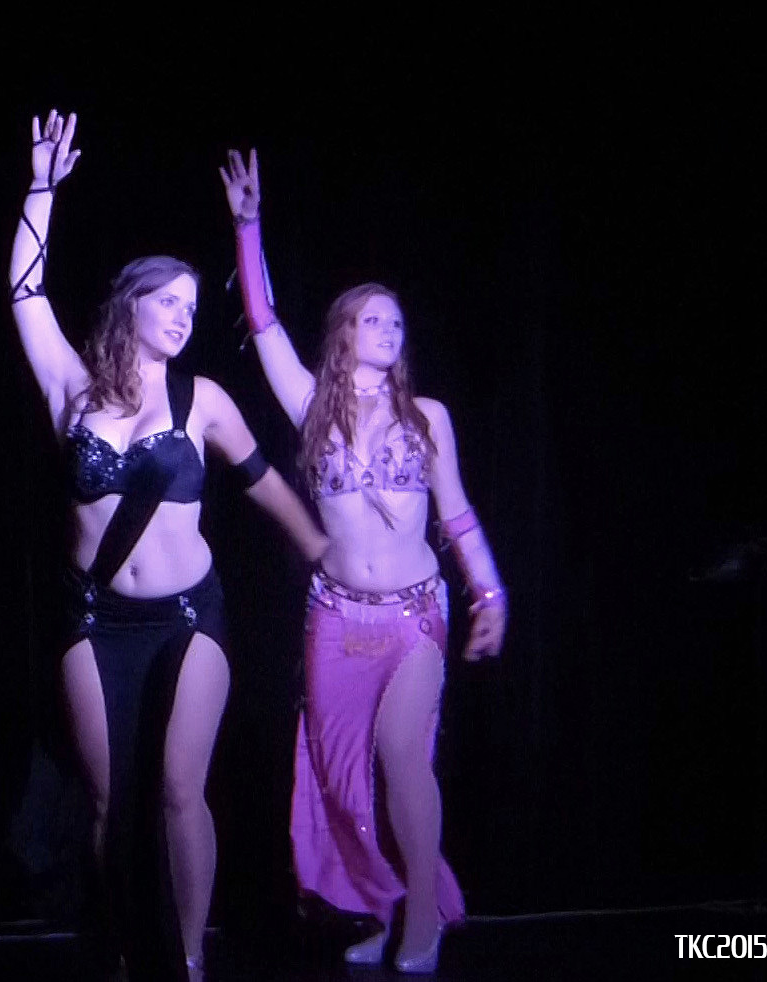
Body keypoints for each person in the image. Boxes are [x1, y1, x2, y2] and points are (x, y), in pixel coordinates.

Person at [10, 111, 329, 982]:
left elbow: (266, 485)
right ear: (132, 305)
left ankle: (187, 958)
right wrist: (41, 189)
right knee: (110, 801)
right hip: (94, 618)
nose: (184, 317)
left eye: (193, 306)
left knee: (181, 787)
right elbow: (25, 295)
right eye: (169, 302)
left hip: (191, 617)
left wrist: (317, 546)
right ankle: (126, 948)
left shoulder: (205, 400)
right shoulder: (72, 388)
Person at [220, 148, 507, 973]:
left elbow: (456, 513)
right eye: (374, 319)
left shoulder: (429, 416)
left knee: (404, 757)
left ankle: (422, 921)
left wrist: (489, 592)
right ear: (344, 332)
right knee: (341, 782)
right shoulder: (311, 404)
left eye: (397, 323)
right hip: (337, 620)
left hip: (415, 614)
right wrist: (248, 227)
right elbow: (264, 323)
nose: (390, 330)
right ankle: (387, 904)